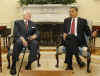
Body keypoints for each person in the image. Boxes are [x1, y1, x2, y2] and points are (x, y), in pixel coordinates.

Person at [10, 10, 40, 75]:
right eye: (28, 14)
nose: (30, 15)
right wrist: (23, 40)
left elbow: (37, 31)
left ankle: (29, 64)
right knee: (18, 42)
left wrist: (35, 35)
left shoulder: (33, 23)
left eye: (30, 14)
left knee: (35, 43)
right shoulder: (17, 22)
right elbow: (16, 32)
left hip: (29, 40)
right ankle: (13, 65)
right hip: (20, 39)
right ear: (24, 16)